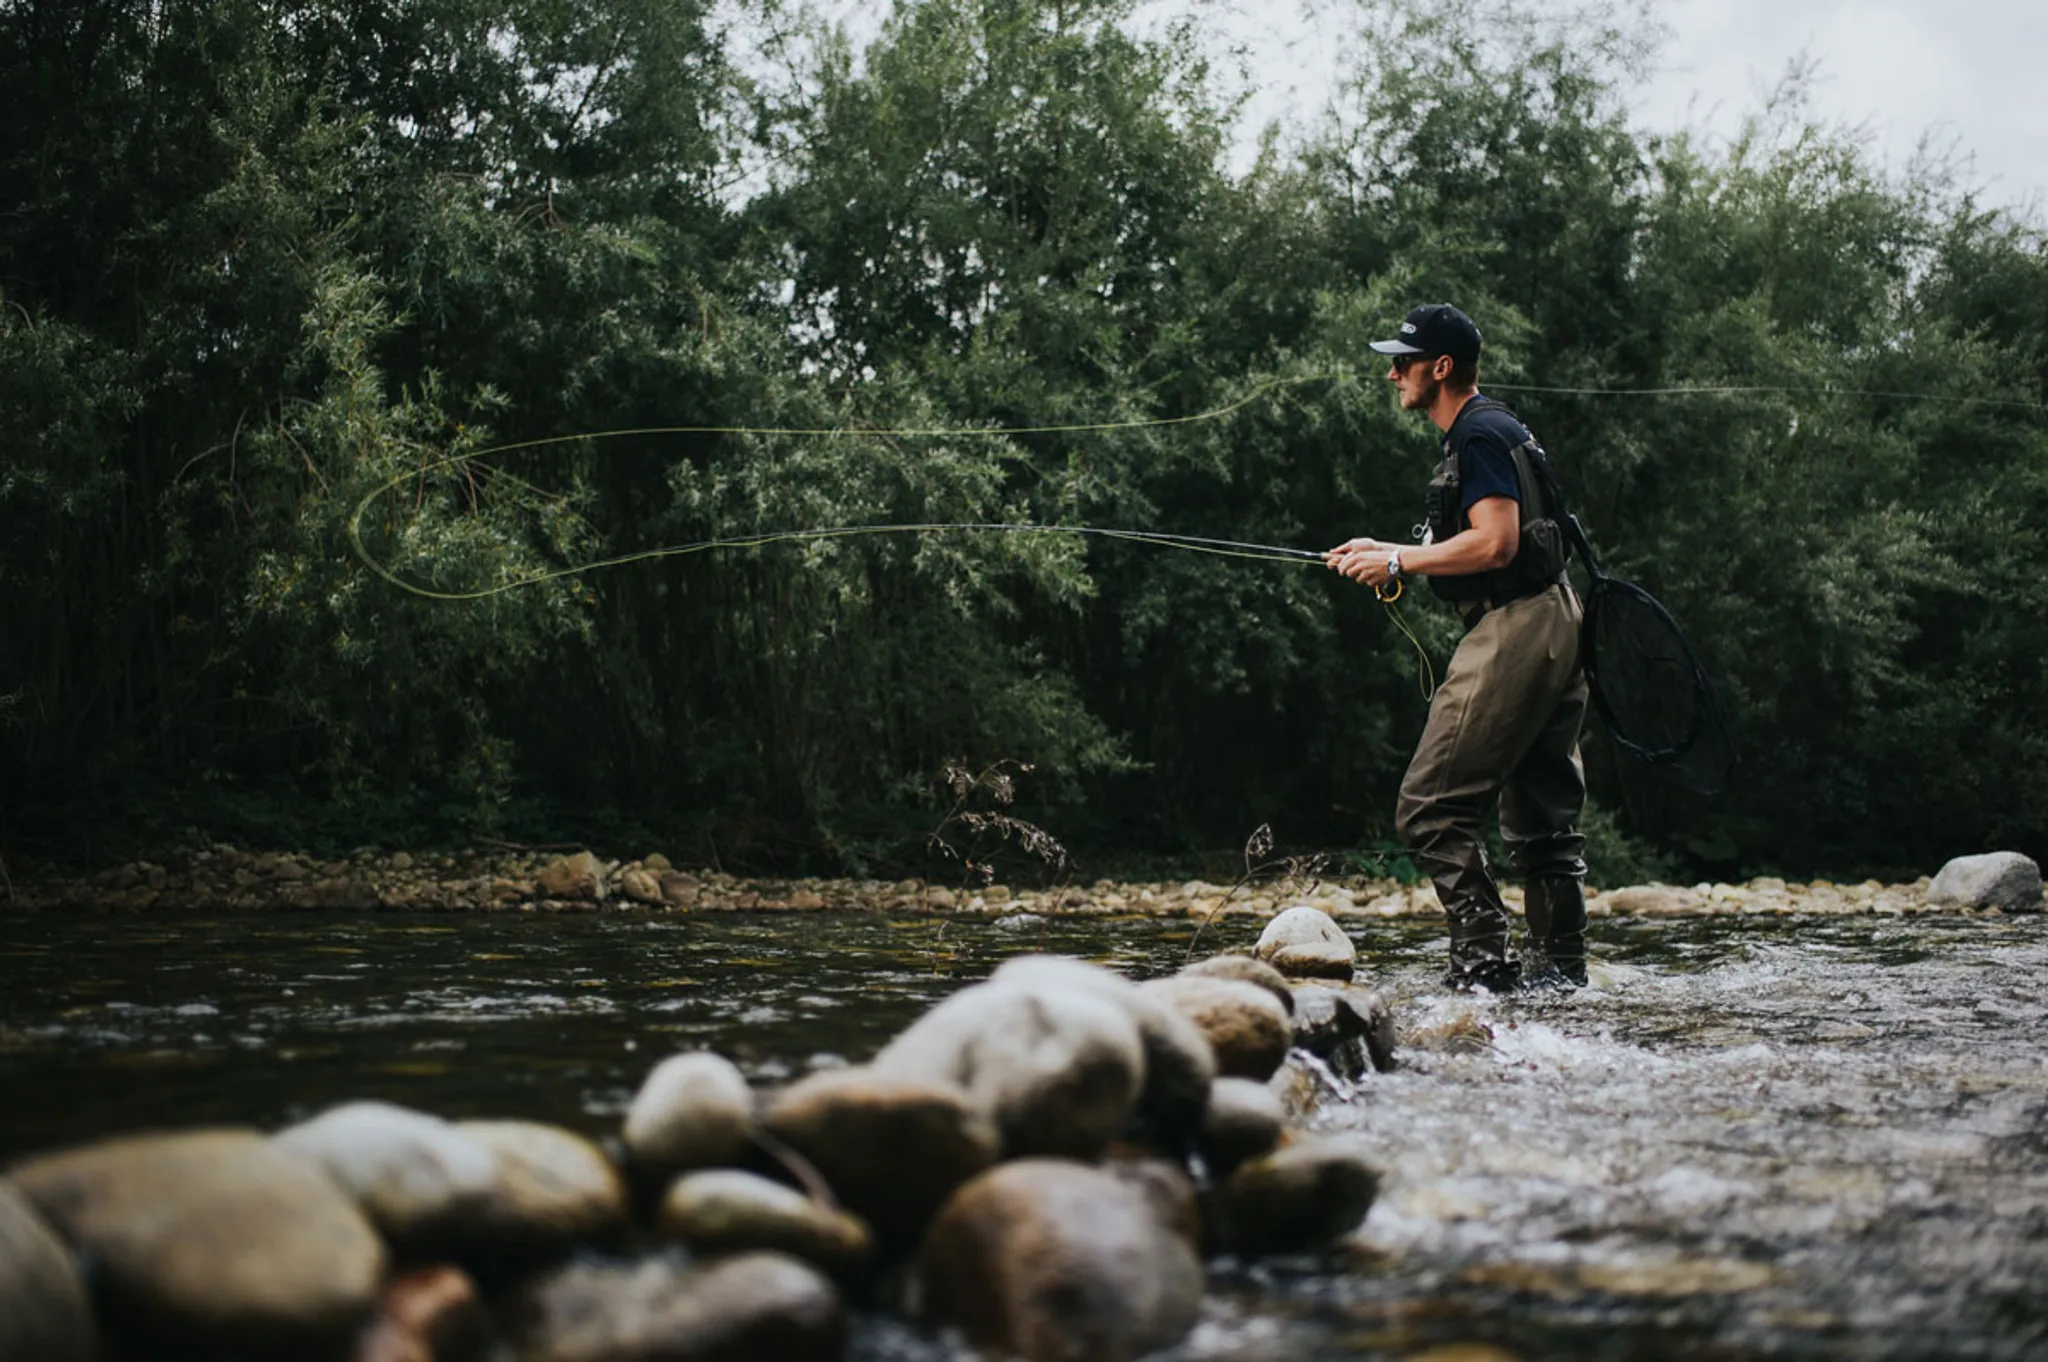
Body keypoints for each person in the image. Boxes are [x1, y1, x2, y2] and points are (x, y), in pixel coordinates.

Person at [1327, 303, 1590, 992]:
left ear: (1440, 368)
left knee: (1430, 806)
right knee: (1543, 823)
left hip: (1520, 625)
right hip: (1560, 618)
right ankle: (1561, 982)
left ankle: (1484, 969)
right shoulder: (1500, 427)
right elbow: (1494, 540)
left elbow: (1496, 542)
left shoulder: (1475, 433)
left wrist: (1398, 562)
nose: (1393, 374)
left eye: (1404, 363)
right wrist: (1387, 549)